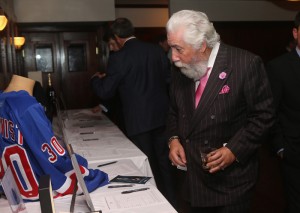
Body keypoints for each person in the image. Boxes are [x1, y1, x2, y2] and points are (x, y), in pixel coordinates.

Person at [166, 10, 275, 213]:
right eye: (171, 47)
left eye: (178, 49)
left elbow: (263, 116)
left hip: (230, 184)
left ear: (202, 46)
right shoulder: (180, 68)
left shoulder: (245, 64)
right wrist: (173, 139)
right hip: (191, 180)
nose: (173, 57)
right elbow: (174, 110)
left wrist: (233, 150)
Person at [90, 18, 177, 207]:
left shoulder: (119, 58)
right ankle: (172, 205)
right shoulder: (156, 50)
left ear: (116, 36)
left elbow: (106, 91)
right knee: (165, 166)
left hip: (138, 121)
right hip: (162, 118)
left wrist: (95, 80)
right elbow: (170, 81)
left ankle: (151, 206)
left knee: (144, 168)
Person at [0, 75, 109, 201]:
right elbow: (53, 158)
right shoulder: (27, 107)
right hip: (35, 189)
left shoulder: (3, 100)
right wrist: (82, 167)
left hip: (12, 188)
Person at [266, 11, 300, 213]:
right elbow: (270, 111)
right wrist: (281, 148)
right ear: (295, 33)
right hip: (295, 153)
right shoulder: (278, 67)